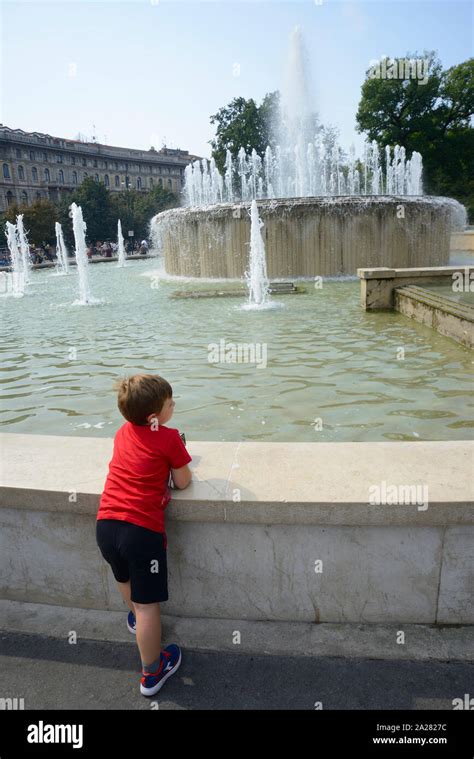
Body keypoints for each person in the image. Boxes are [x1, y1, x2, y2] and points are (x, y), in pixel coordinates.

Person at [95, 374, 192, 697]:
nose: (174, 405)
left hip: (106, 525)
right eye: (169, 403)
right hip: (141, 533)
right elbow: (182, 482)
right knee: (149, 605)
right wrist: (177, 455)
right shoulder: (168, 438)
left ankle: (136, 623)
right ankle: (152, 672)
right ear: (155, 417)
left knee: (125, 581)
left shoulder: (122, 433)